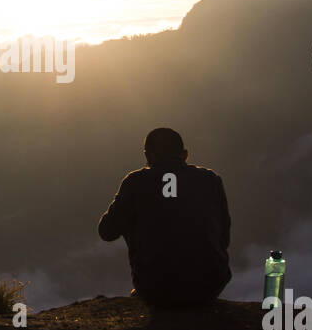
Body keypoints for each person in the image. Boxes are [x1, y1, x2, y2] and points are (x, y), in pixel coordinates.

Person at [97, 127, 232, 308]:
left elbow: (107, 232)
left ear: (147, 156)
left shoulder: (135, 182)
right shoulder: (211, 180)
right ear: (185, 154)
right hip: (210, 285)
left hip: (155, 288)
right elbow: (224, 237)